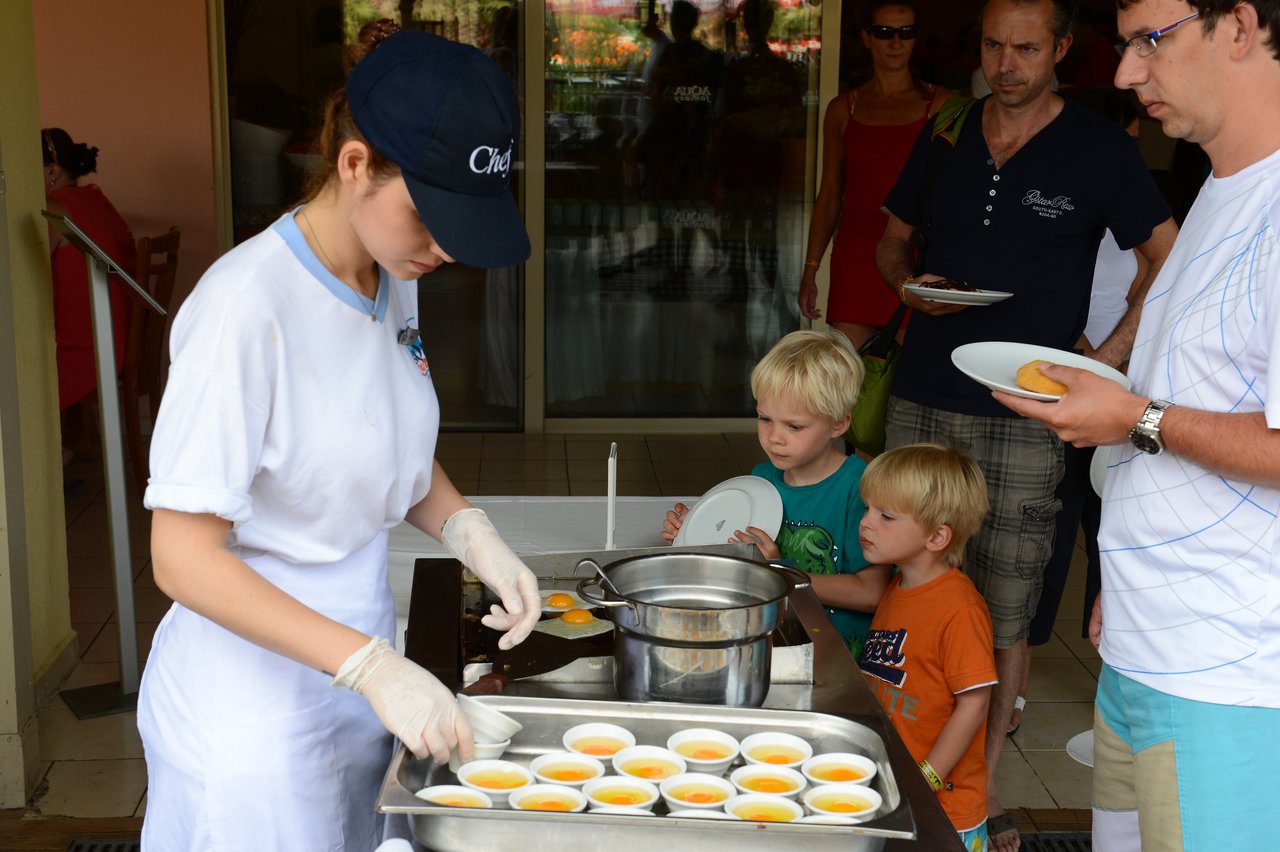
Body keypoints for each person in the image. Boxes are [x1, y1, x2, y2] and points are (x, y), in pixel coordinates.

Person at [137, 28, 540, 851]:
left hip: (357, 681)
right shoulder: (244, 310)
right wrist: (370, 667)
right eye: (432, 218)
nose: (447, 249)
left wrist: (474, 534)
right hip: (249, 715)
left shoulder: (393, 275)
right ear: (354, 165)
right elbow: (181, 557)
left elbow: (378, 440)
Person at [873, 1, 1179, 848]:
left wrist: (1106, 357)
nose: (1006, 63)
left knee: (1006, 597)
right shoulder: (947, 130)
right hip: (926, 389)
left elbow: (1165, 249)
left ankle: (986, 794)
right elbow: (890, 240)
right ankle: (903, 761)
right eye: (993, 45)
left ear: (1062, 51)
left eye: (1026, 48)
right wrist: (906, 283)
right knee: (908, 580)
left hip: (1028, 408)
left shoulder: (1099, 148)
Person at [994, 0, 1280, 848]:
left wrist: (1132, 414)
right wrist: (1124, 567)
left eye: (1148, 41)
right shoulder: (1216, 194)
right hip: (1143, 646)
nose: (1124, 73)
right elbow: (1196, 395)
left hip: (1230, 674)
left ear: (1239, 25)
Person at [1010, 88, 1149, 736]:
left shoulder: (1143, 228)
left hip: (1116, 396)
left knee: (1100, 527)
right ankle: (1025, 674)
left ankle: (1109, 666)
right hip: (1065, 390)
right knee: (1059, 529)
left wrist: (1110, 366)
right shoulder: (1071, 218)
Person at [662, 330, 893, 657]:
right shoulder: (761, 480)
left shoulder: (862, 490)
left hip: (836, 658)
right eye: (765, 419)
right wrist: (694, 533)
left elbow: (872, 593)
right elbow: (738, 558)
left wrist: (779, 573)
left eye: (794, 426)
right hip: (770, 643)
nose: (774, 438)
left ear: (839, 424)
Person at [857, 443, 995, 852]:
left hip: (945, 810)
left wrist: (928, 777)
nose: (866, 523)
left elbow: (975, 703)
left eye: (885, 516)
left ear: (936, 536)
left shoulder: (959, 608)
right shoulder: (899, 586)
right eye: (867, 509)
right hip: (899, 792)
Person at [798, 1, 953, 350]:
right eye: (885, 32)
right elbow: (830, 195)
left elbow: (956, 190)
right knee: (846, 381)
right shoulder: (843, 108)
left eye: (906, 32)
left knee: (910, 376)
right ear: (867, 38)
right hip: (855, 256)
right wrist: (811, 268)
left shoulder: (941, 104)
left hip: (911, 257)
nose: (896, 42)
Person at [41, 128, 137, 450]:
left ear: (52, 172)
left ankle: (50, 459)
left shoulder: (52, 207)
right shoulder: (94, 198)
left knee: (20, 363)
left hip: (87, 349)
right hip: (117, 336)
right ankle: (62, 450)